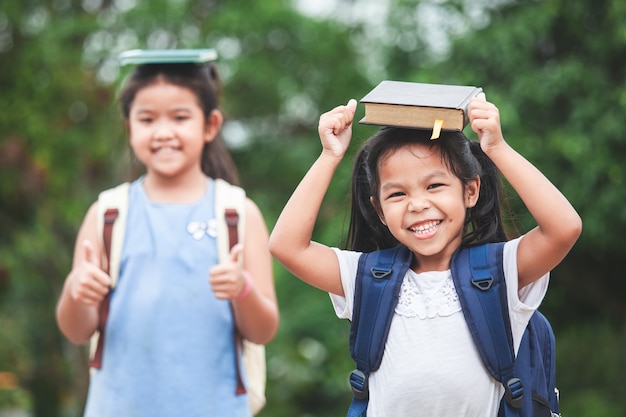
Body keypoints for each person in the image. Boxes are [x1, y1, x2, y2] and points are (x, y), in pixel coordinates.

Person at [269, 95, 581, 416]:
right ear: (378, 209)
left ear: (470, 190)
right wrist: (329, 156)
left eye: (434, 186)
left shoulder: (499, 271)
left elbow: (564, 228)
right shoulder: (367, 277)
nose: (417, 204)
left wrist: (497, 148)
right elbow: (286, 245)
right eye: (398, 193)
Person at [56, 58, 279, 417]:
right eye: (147, 119)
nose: (162, 132)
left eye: (179, 117)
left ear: (210, 125)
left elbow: (263, 330)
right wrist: (75, 290)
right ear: (128, 126)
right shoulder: (107, 214)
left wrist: (242, 290)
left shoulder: (238, 214)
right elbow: (77, 331)